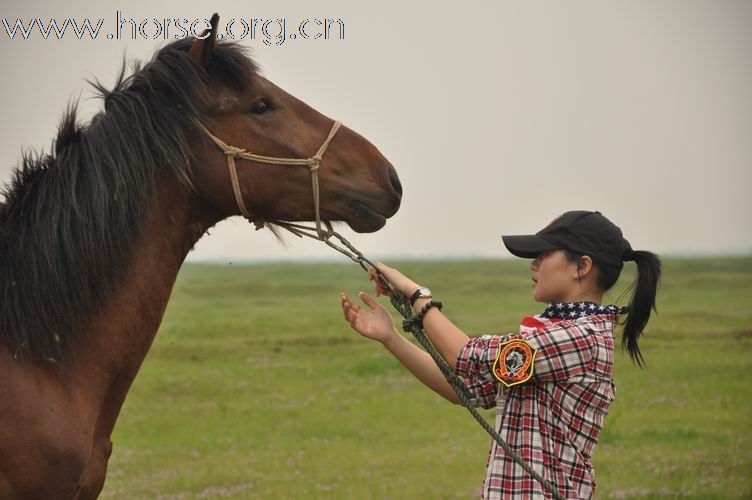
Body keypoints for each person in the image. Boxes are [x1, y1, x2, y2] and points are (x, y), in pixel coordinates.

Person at [340, 210, 662, 499]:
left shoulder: (580, 338)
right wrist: (391, 338)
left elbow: (464, 354)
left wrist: (417, 294)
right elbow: (463, 387)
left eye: (544, 254)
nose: (534, 264)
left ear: (583, 266)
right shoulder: (555, 333)